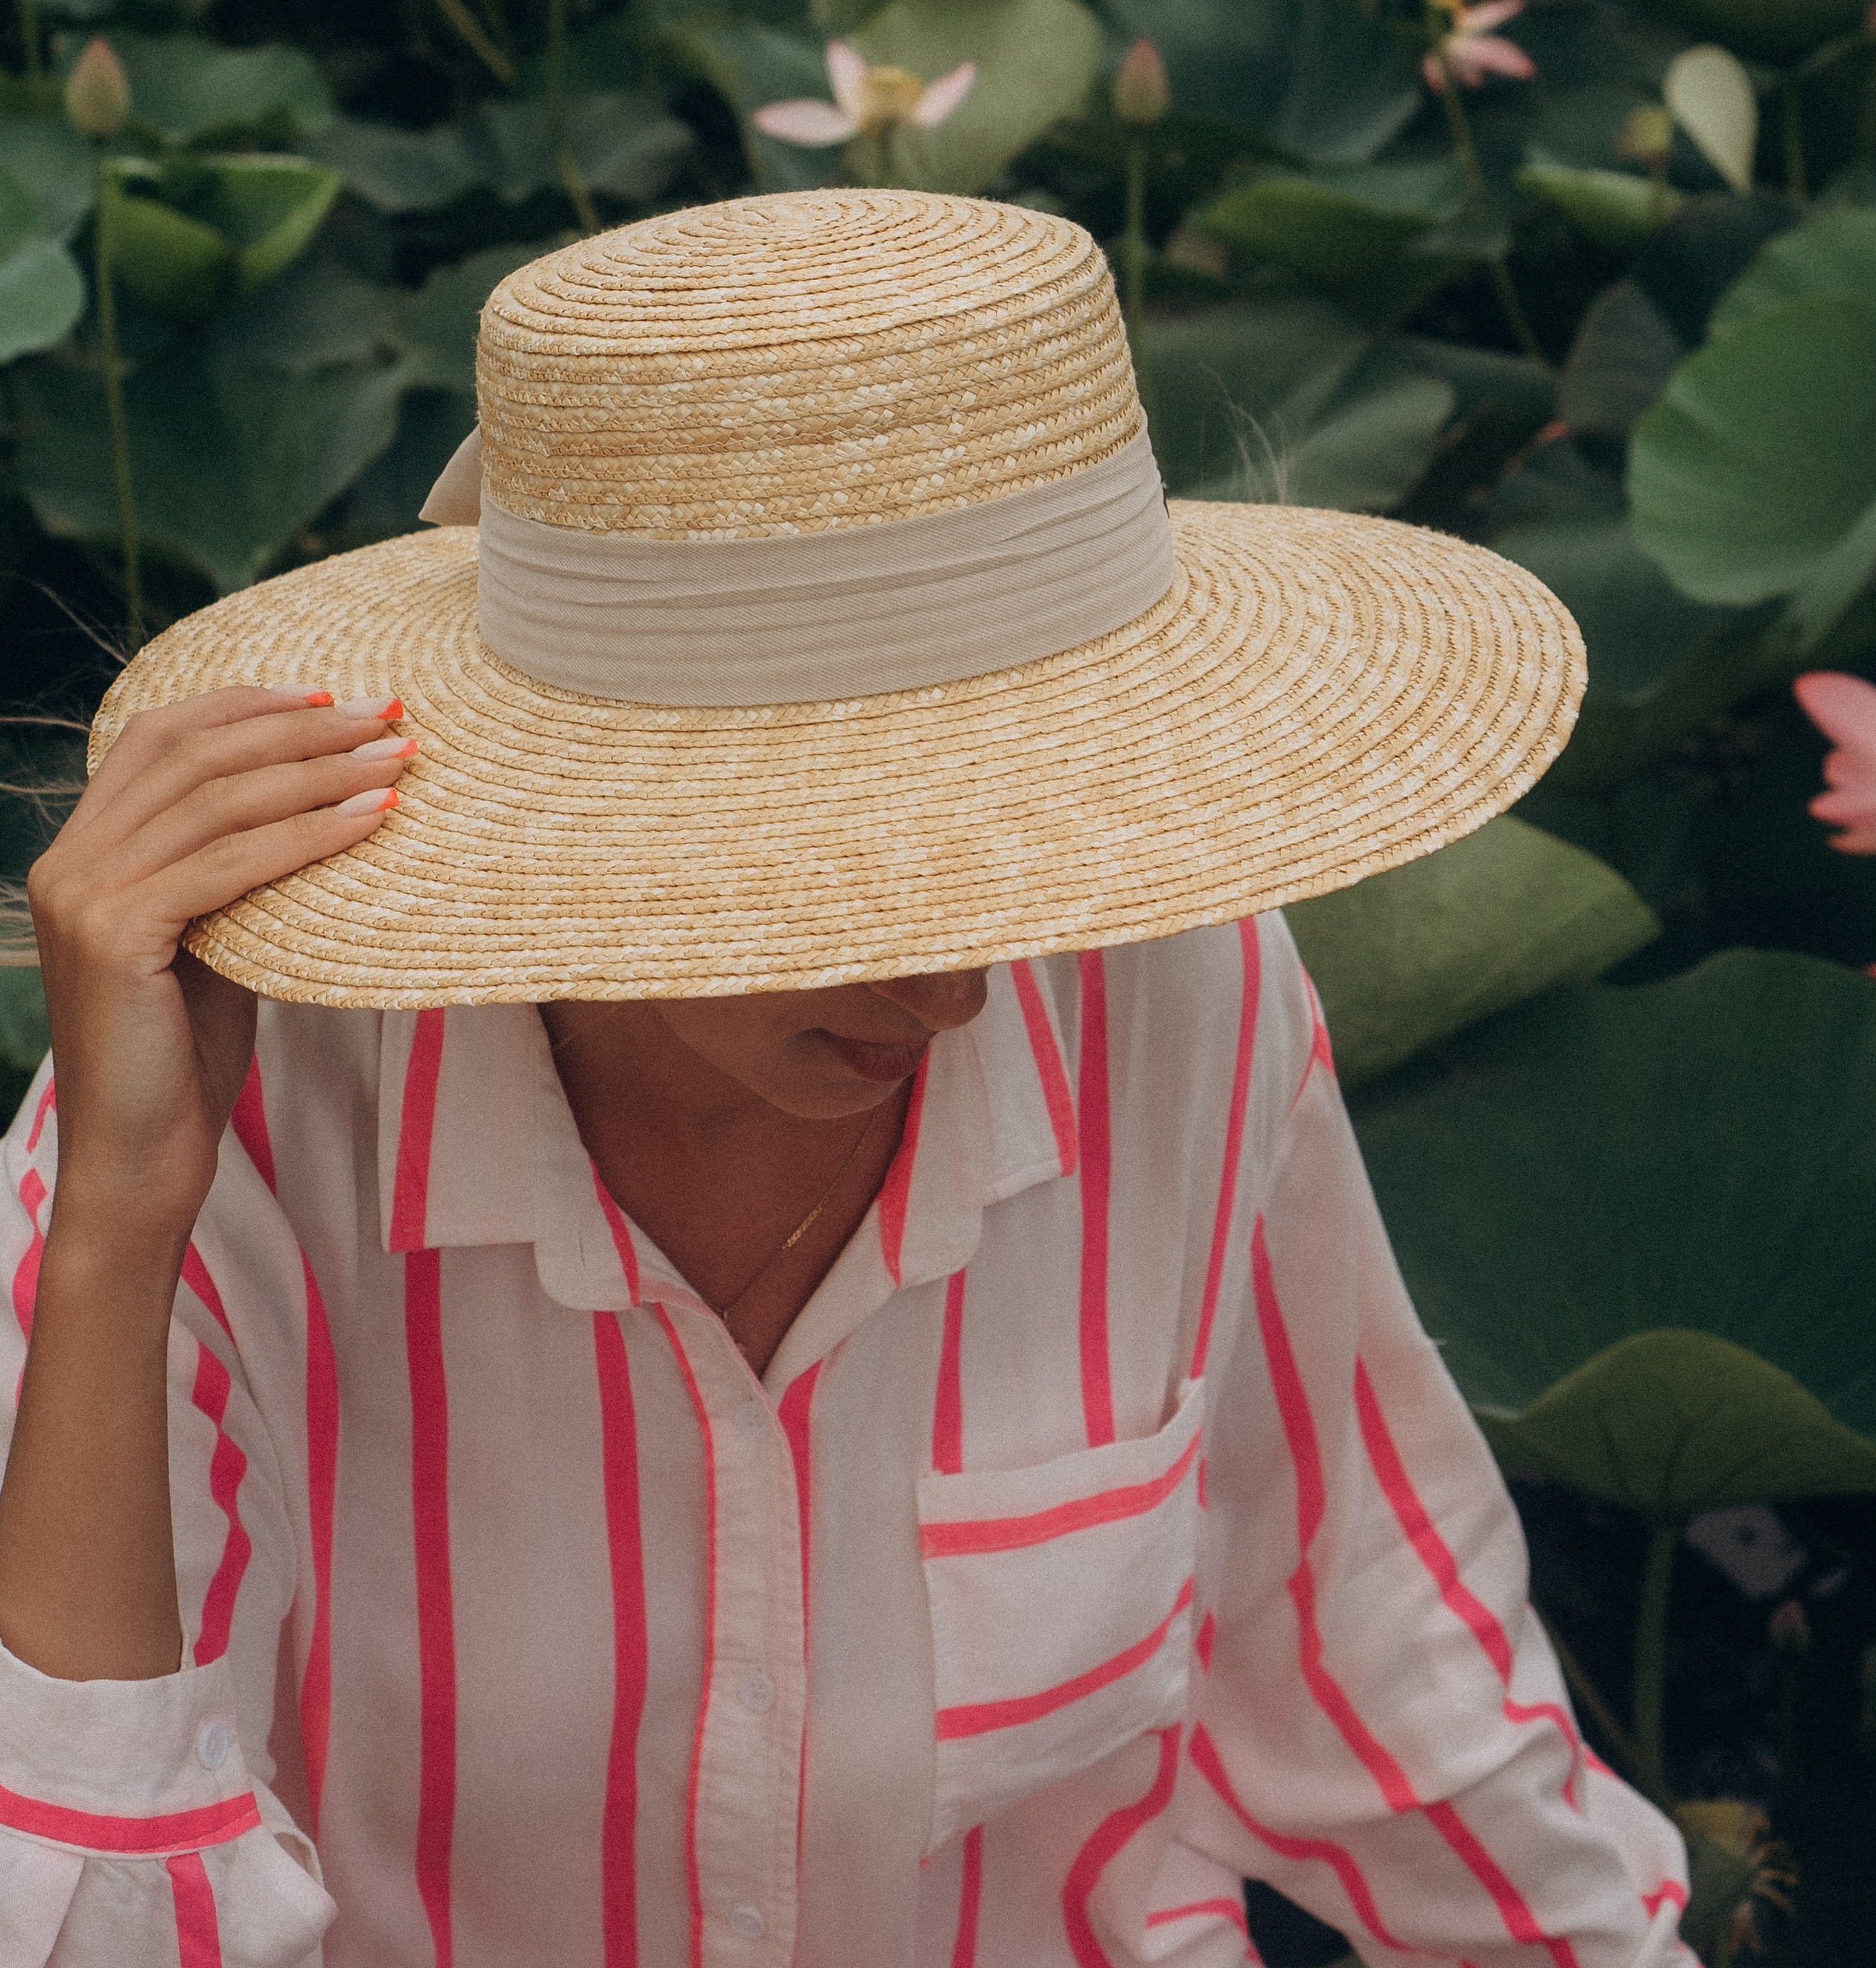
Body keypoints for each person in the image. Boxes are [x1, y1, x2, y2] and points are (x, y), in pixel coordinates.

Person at [0, 191, 1694, 1968]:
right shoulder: (248, 1112)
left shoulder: (1169, 983)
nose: (957, 982)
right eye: (845, 867)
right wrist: (115, 1232)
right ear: (585, 794)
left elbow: (1392, 1677)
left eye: (1016, 832)